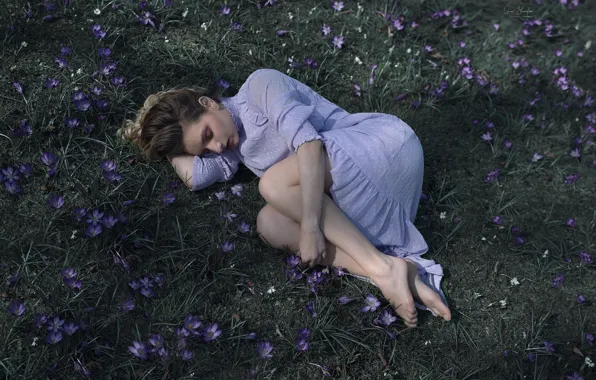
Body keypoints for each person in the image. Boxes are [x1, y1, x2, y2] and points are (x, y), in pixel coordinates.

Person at [117, 68, 451, 327]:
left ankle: (380, 267)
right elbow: (196, 178)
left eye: (207, 134)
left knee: (272, 185)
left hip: (381, 148)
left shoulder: (258, 86)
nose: (215, 147)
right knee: (268, 223)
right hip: (347, 186)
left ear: (208, 103)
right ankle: (389, 269)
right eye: (203, 149)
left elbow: (310, 145)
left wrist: (310, 227)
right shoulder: (232, 149)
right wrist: (164, 147)